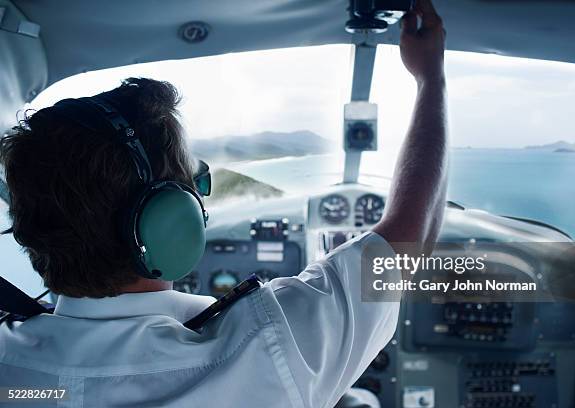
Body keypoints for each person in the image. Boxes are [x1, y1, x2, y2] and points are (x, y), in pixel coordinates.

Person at [0, 0, 447, 406]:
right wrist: (430, 76)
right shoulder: (268, 351)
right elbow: (412, 236)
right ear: (167, 221)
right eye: (196, 185)